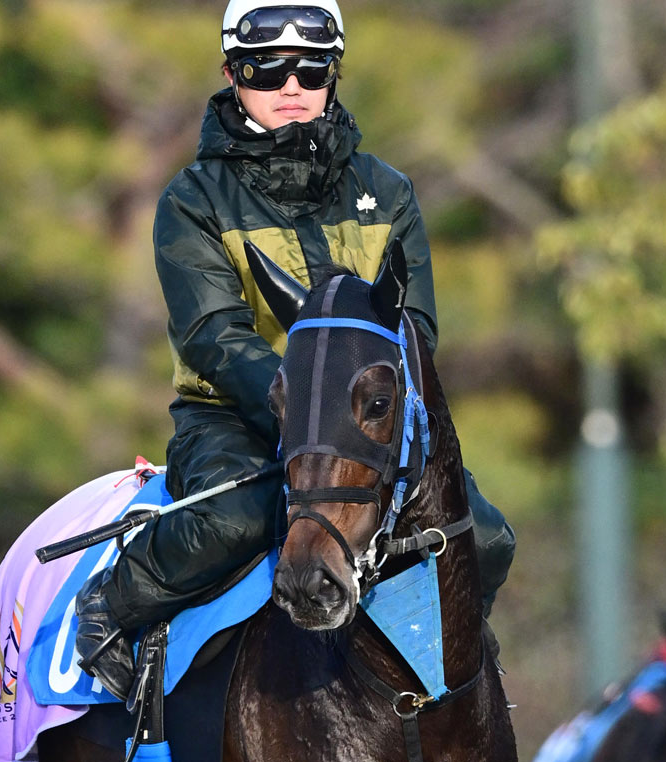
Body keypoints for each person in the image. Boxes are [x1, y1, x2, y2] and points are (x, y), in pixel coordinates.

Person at [74, 0, 515, 701]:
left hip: (368, 423)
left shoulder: (388, 191)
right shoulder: (192, 199)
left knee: (487, 538)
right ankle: (112, 603)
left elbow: (417, 333)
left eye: (310, 70)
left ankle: (462, 677)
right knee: (237, 520)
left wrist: (358, 411)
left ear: (332, 75)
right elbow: (213, 337)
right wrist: (305, 408)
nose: (290, 87)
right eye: (266, 70)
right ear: (232, 74)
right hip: (235, 417)